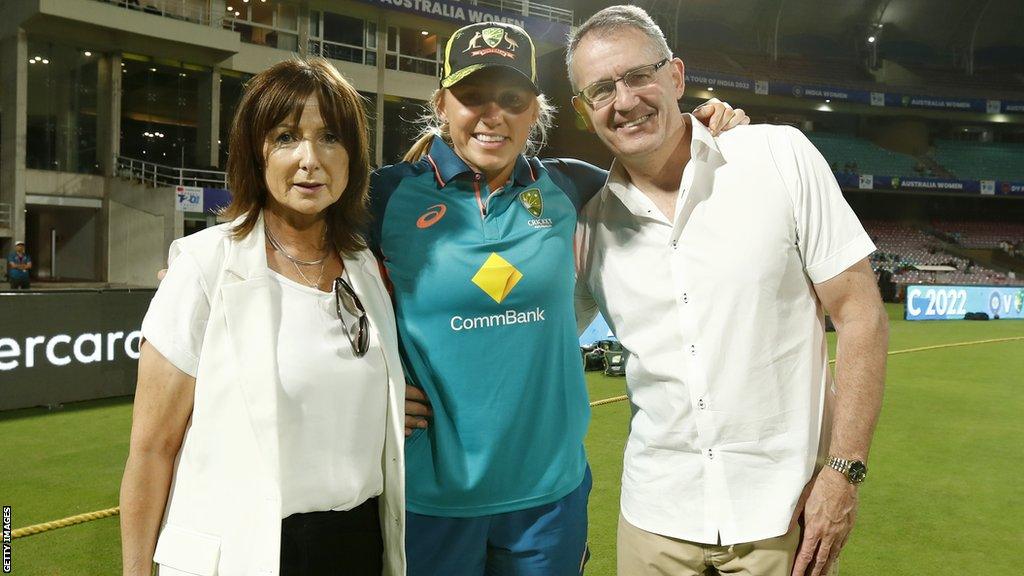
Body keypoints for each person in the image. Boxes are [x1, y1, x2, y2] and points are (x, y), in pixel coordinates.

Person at [371, 21, 746, 576]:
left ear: (536, 110)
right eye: (472, 97)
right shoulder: (385, 195)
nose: (491, 114)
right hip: (430, 498)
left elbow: (668, 172)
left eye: (512, 99)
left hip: (549, 499)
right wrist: (365, 387)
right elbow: (310, 294)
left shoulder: (575, 187)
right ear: (442, 103)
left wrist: (710, 127)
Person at [568, 6, 888, 576]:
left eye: (639, 75)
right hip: (654, 519)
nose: (624, 100)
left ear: (676, 77)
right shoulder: (588, 229)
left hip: (785, 517)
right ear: (583, 110)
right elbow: (527, 339)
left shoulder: (777, 156)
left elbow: (861, 313)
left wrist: (844, 472)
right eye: (600, 89)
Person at [120, 58, 406, 576]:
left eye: (331, 138)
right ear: (256, 152)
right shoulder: (204, 267)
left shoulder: (364, 265)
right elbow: (151, 450)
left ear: (353, 157)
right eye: (286, 136)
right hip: (245, 551)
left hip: (358, 545)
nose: (310, 160)